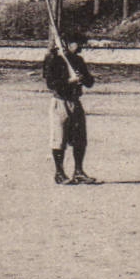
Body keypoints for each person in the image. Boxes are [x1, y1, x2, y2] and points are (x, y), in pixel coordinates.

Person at [43, 31, 98, 185]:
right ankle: (59, 173)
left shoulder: (78, 60)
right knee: (59, 139)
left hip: (76, 102)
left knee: (80, 139)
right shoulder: (53, 60)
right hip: (60, 102)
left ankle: (79, 171)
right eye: (77, 43)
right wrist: (70, 80)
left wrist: (83, 78)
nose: (80, 47)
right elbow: (51, 84)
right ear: (67, 44)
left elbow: (89, 83)